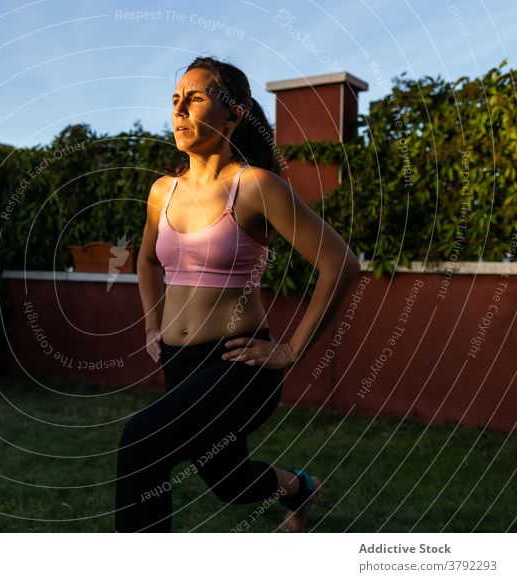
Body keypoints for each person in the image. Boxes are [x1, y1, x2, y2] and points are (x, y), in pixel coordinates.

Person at [113, 56, 361, 533]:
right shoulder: (161, 191)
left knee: (141, 443)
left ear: (234, 114)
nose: (180, 109)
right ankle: (298, 487)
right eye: (175, 100)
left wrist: (291, 350)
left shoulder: (255, 187)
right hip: (178, 363)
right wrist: (151, 322)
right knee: (227, 483)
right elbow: (145, 260)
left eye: (196, 98)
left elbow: (340, 263)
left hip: (238, 365)